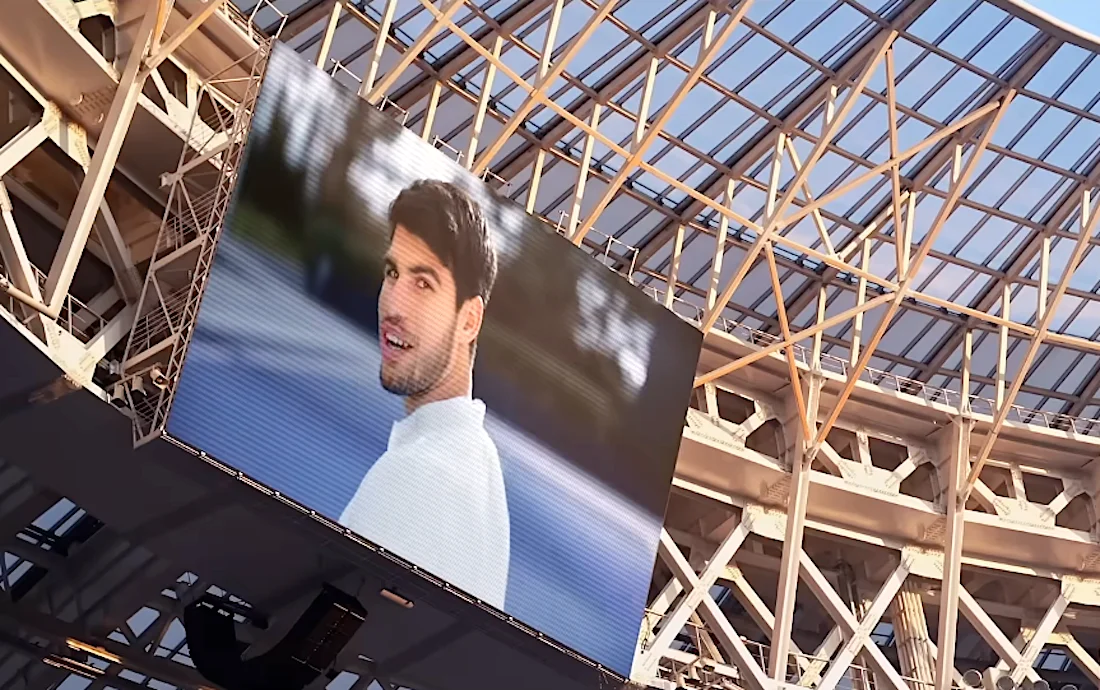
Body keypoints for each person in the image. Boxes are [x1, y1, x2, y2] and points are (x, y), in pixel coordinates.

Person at [339, 180, 510, 609]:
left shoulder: (419, 472)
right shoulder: (479, 460)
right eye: (392, 272)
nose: (392, 306)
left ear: (469, 321)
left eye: (423, 284)